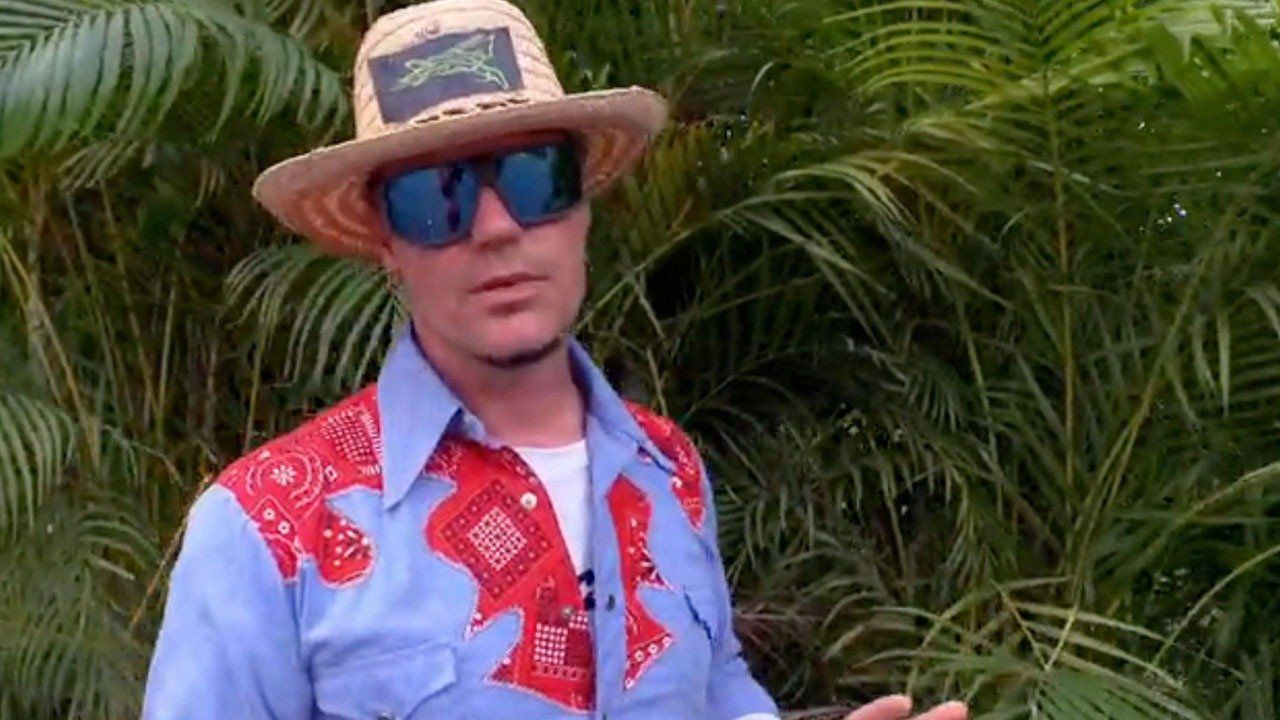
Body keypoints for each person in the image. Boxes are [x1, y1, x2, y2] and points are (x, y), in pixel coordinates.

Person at [142, 1, 970, 719]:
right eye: (436, 199)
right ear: (386, 243)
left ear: (582, 208)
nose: (497, 228)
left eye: (534, 178)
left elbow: (717, 683)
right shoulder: (267, 527)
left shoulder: (668, 470)